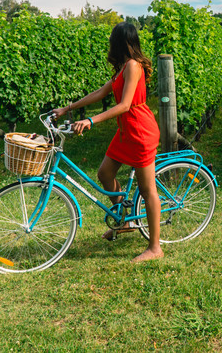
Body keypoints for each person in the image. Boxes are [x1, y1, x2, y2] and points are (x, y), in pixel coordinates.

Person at [53, 22, 162, 263]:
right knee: (104, 173)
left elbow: (124, 105)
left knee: (147, 190)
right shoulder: (123, 68)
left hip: (140, 131)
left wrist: (91, 120)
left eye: (112, 40)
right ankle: (127, 220)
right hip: (126, 131)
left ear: (120, 42)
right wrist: (67, 108)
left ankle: (155, 247)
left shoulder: (133, 66)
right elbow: (100, 94)